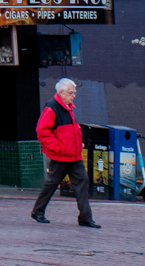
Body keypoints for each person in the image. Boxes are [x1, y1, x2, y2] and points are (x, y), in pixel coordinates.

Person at [30, 78, 99, 228]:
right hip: (62, 155)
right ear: (61, 92)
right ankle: (38, 211)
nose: (73, 95)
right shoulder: (52, 107)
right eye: (70, 93)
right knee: (53, 183)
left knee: (81, 182)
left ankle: (86, 218)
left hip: (73, 155)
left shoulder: (67, 107)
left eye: (74, 92)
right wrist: (59, 147)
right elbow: (42, 132)